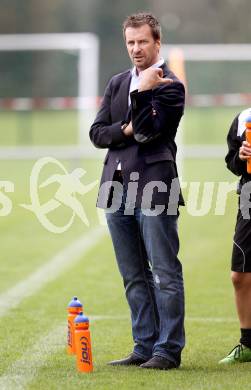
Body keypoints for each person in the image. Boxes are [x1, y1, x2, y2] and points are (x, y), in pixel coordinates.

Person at [89, 12, 185, 370]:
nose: (135, 49)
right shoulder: (116, 83)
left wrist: (144, 91)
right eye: (130, 42)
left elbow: (148, 132)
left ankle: (167, 349)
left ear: (157, 42)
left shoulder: (171, 86)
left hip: (155, 186)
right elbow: (98, 133)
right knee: (133, 274)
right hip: (115, 188)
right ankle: (144, 345)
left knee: (164, 272)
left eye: (142, 41)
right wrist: (124, 130)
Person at [219, 107, 251, 364]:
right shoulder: (244, 118)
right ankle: (248, 343)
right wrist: (240, 157)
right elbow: (231, 163)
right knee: (239, 275)